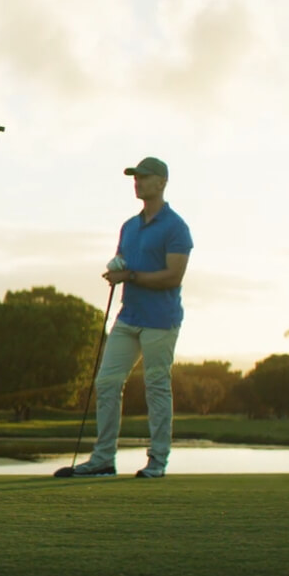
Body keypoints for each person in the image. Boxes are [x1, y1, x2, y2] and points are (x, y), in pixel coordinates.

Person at [56, 156, 193, 479]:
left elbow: (173, 276)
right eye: (136, 177)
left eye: (144, 177)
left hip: (161, 319)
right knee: (106, 383)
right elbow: (125, 261)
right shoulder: (129, 226)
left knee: (156, 387)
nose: (138, 182)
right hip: (128, 316)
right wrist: (118, 268)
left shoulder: (176, 227)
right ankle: (103, 459)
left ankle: (157, 461)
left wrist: (129, 276)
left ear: (161, 182)